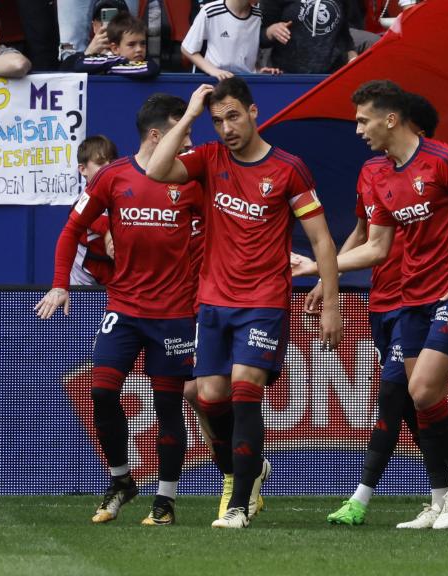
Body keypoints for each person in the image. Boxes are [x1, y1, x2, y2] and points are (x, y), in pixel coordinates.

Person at [292, 79, 448, 530]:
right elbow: (376, 248)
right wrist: (316, 268)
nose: (358, 130)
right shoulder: (380, 174)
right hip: (409, 298)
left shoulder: (444, 160)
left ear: (390, 119)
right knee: (420, 399)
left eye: (363, 120)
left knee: (423, 390)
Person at [146, 77, 342, 529]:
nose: (226, 127)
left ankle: (238, 503)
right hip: (214, 300)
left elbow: (322, 241)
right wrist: (191, 115)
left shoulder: (289, 169)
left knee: (243, 390)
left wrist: (331, 304)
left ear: (254, 112)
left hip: (264, 300)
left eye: (233, 116)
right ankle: (250, 468)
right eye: (217, 120)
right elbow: (156, 169)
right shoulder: (210, 159)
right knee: (208, 396)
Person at [34, 94, 203, 526]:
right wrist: (59, 285)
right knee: (101, 391)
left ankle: (164, 500)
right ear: (155, 135)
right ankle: (122, 480)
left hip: (174, 314)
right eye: (182, 131)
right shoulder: (112, 177)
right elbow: (71, 229)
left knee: (169, 407)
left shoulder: (193, 182)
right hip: (124, 309)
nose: (190, 141)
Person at [182, 0, 280, 79]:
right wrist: (213, 71)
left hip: (246, 83)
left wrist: (258, 71)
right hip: (216, 82)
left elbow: (246, 54)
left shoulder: (258, 16)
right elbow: (187, 49)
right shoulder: (210, 11)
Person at [260, 0, 357, 74]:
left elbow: (343, 35)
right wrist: (271, 31)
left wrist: (353, 58)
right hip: (287, 75)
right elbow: (259, 37)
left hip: (331, 75)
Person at [71, 136, 119, 287]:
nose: (108, 168)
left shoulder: (128, 197)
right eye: (100, 163)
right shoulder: (81, 203)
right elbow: (103, 225)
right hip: (86, 282)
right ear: (82, 169)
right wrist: (108, 236)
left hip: (120, 281)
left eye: (112, 162)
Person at [70, 13, 160, 79]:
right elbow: (80, 65)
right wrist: (119, 61)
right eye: (131, 44)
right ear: (115, 48)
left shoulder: (148, 62)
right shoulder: (108, 59)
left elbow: (149, 69)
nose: (139, 49)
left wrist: (111, 69)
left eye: (143, 43)